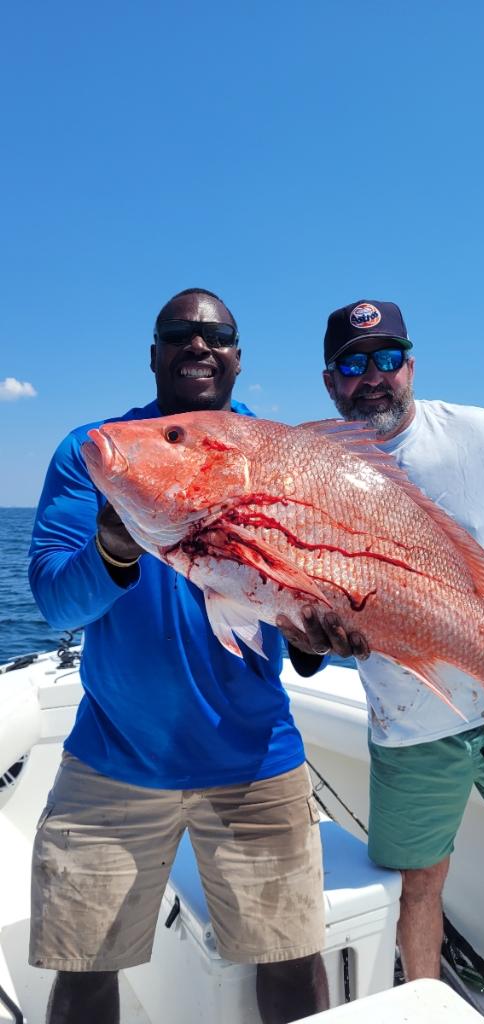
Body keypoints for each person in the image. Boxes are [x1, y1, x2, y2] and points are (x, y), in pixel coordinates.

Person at [28, 286, 366, 1024]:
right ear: (154, 354)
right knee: (84, 973)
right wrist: (114, 545)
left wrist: (314, 641)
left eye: (217, 335)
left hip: (255, 758)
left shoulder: (279, 455)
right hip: (115, 760)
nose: (199, 345)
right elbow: (56, 601)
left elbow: (302, 606)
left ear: (239, 358)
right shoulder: (98, 450)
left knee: (290, 960)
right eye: (179, 333)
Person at [316, 297, 484, 981]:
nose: (374, 376)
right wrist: (310, 643)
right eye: (353, 364)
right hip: (409, 729)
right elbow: (301, 616)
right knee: (420, 886)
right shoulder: (316, 470)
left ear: (412, 363)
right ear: (329, 381)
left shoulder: (481, 434)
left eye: (388, 357)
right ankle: (423, 1006)